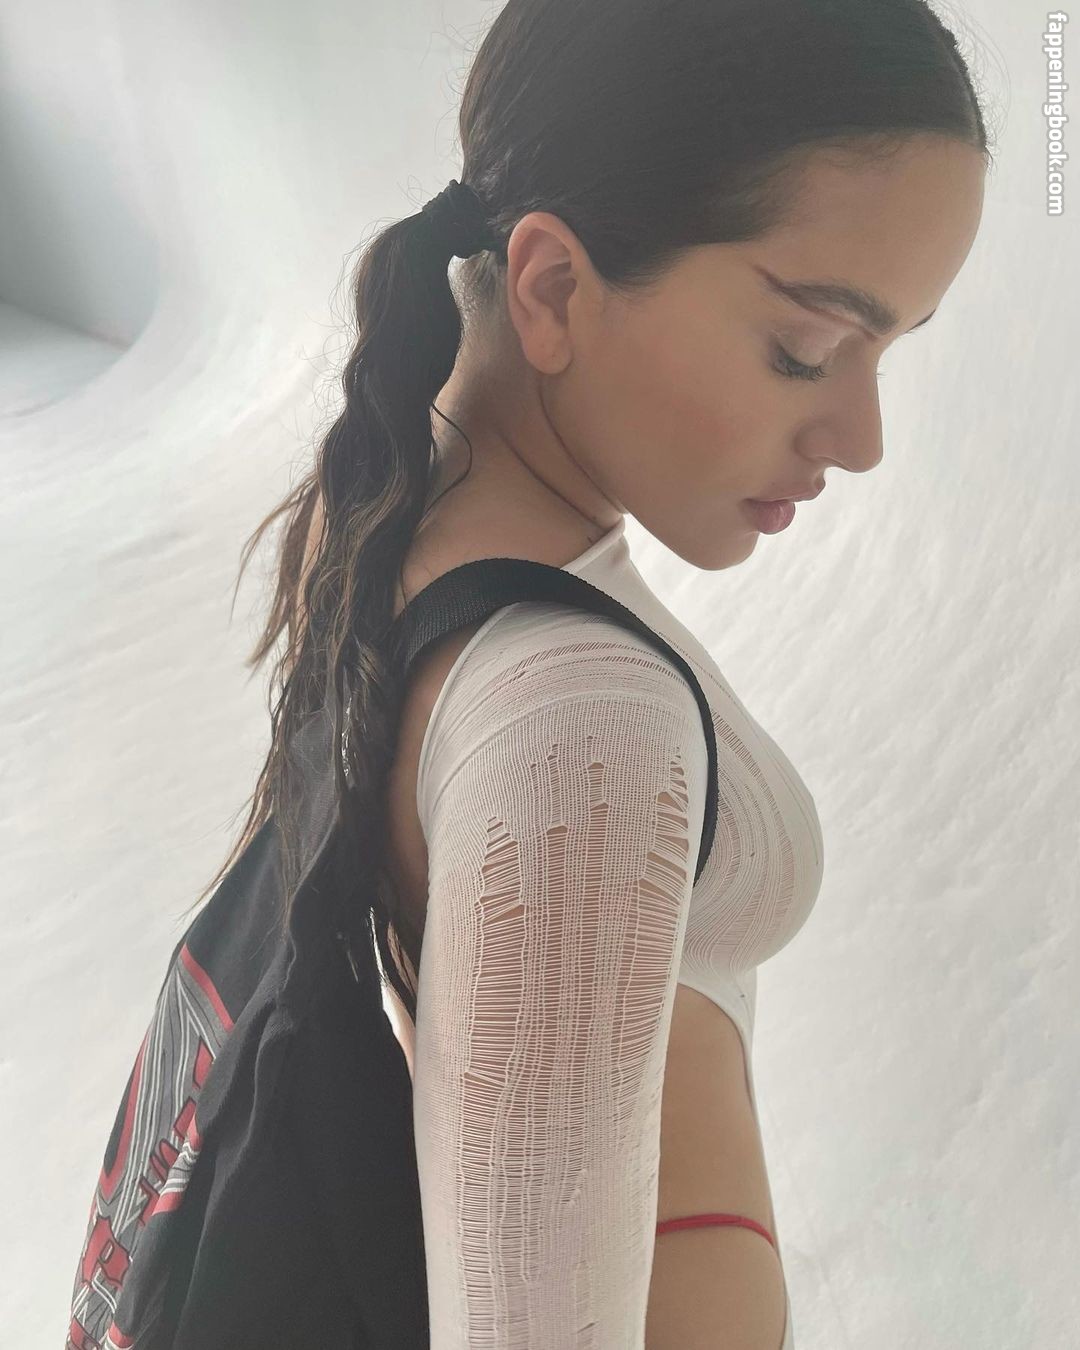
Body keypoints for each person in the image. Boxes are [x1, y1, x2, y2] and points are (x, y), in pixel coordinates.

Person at [182, 1, 992, 1345]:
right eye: (804, 349)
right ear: (552, 286)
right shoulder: (576, 730)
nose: (860, 439)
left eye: (887, 353)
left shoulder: (400, 483)